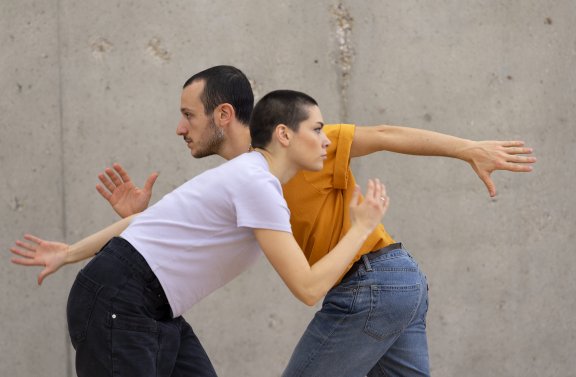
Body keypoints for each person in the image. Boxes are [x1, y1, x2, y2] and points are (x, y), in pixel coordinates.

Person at [11, 65, 536, 376]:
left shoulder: (303, 145)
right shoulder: (250, 178)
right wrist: (72, 250)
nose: (179, 128)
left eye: (188, 115)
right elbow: (149, 231)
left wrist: (470, 149)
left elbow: (389, 133)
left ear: (224, 117)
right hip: (392, 281)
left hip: (371, 279)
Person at [10, 88, 389, 377]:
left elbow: (141, 222)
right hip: (121, 301)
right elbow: (307, 288)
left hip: (150, 306)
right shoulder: (255, 182)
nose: (327, 140)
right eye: (318, 129)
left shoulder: (248, 177)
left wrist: (69, 252)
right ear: (284, 135)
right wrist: (361, 229)